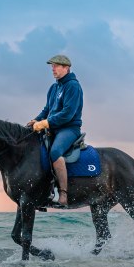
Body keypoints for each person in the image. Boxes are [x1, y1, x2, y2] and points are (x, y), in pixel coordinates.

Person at [27, 54, 83, 206]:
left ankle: (63, 193)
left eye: (56, 66)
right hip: (53, 128)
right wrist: (36, 120)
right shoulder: (54, 87)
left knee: (55, 151)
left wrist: (45, 123)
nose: (53, 69)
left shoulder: (73, 86)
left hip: (69, 129)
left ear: (66, 68)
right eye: (52, 66)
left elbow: (67, 114)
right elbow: (47, 110)